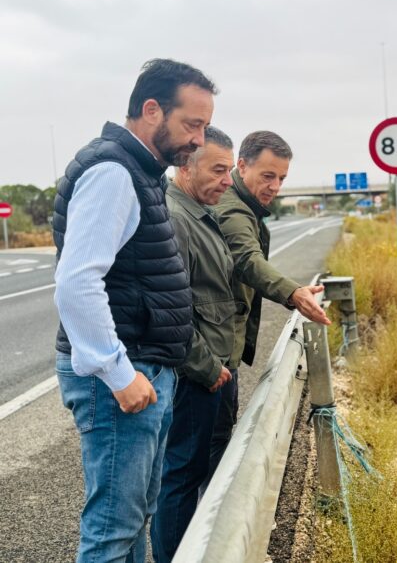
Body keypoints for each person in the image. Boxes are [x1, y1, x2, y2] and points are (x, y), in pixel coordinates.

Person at [52, 58, 216, 563]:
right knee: (112, 531)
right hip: (123, 376)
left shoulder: (139, 172)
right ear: (151, 110)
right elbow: (77, 282)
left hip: (143, 367)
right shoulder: (113, 172)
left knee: (130, 522)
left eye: (204, 127)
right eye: (193, 124)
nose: (199, 139)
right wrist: (119, 373)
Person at [211, 130, 330, 473]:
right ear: (242, 166)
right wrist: (293, 293)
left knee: (212, 446)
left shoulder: (244, 205)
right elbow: (248, 261)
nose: (275, 186)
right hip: (215, 348)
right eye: (267, 176)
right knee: (205, 453)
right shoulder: (233, 209)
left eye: (281, 178)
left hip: (220, 343)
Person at [150, 126, 237, 562]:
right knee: (182, 476)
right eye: (218, 170)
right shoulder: (177, 219)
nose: (228, 180)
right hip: (195, 375)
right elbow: (173, 309)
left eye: (230, 171)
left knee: (193, 470)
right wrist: (207, 367)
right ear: (185, 166)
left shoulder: (201, 212)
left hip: (211, 370)